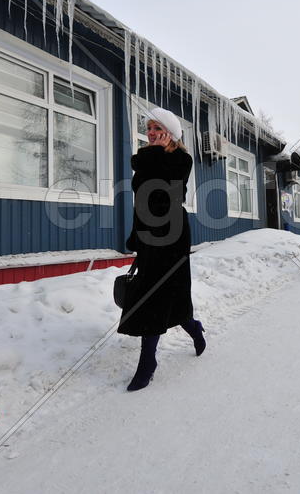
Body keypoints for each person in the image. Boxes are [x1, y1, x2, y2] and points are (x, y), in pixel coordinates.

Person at [119, 107, 206, 392]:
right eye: (150, 129)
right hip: (148, 235)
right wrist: (135, 235)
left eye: (159, 130)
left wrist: (146, 156)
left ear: (172, 134)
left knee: (166, 294)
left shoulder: (181, 159)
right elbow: (141, 202)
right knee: (152, 295)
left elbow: (165, 189)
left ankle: (148, 362)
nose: (152, 134)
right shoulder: (144, 161)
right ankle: (193, 327)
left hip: (172, 235)